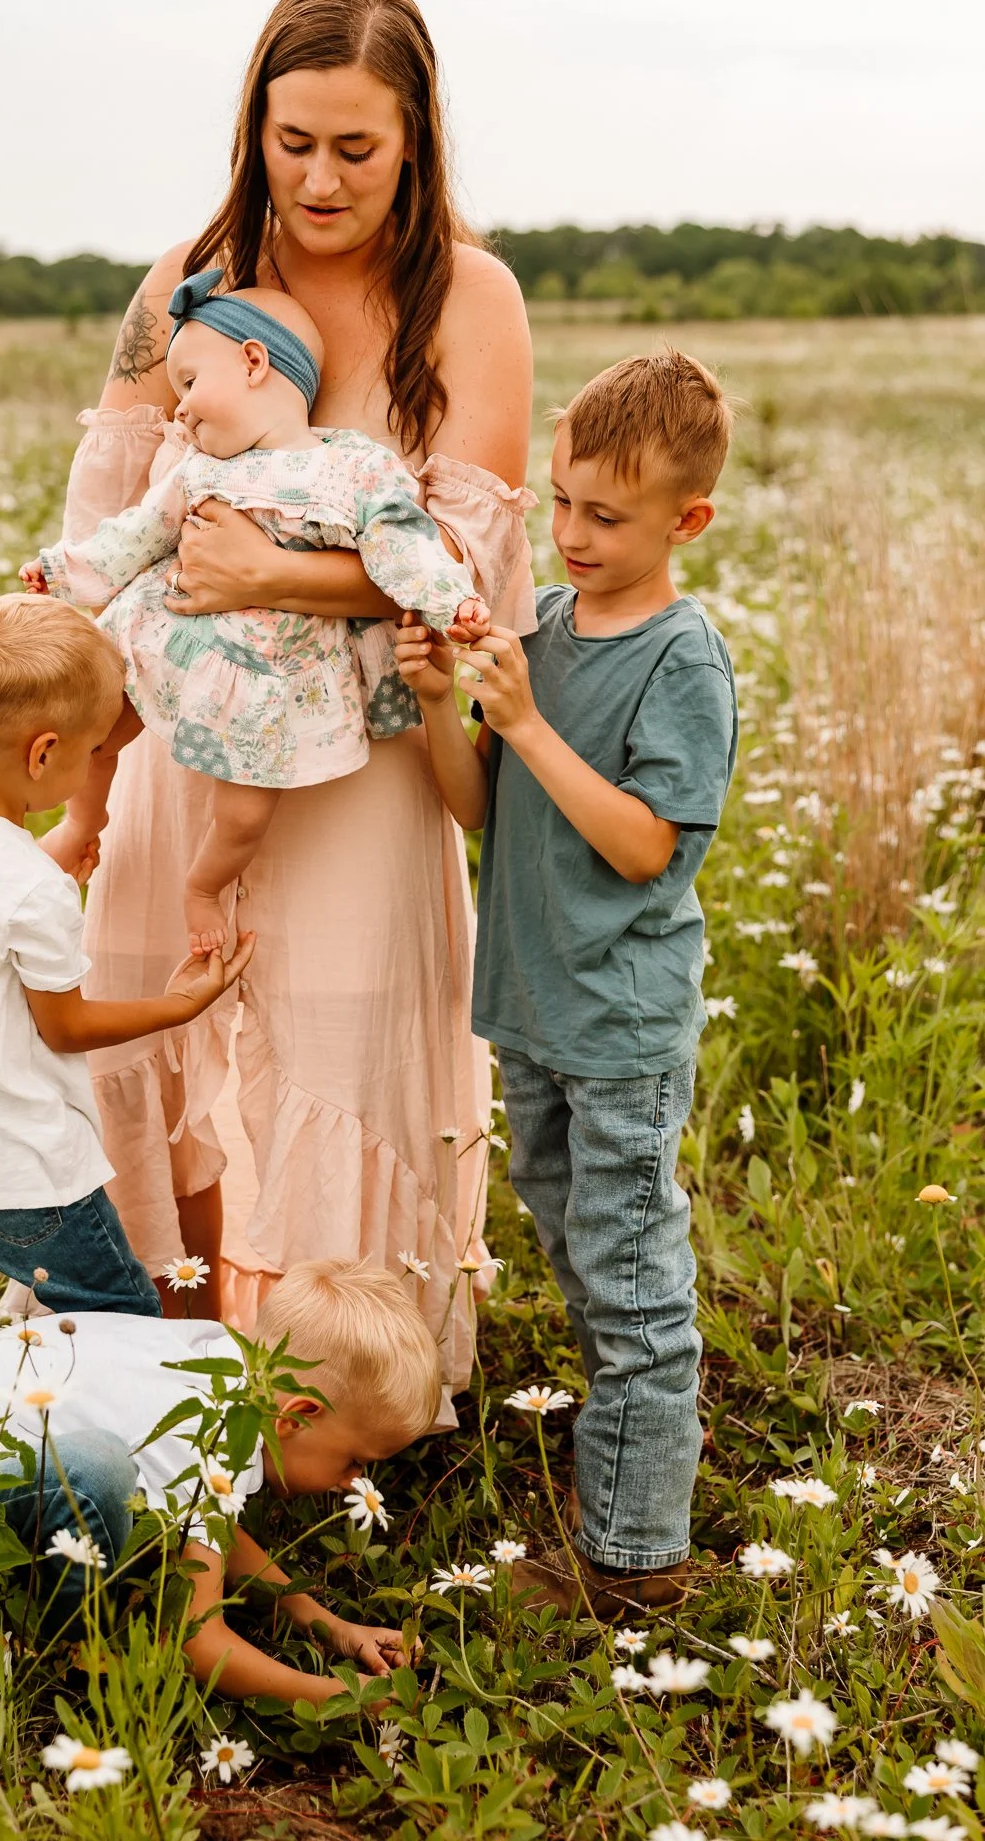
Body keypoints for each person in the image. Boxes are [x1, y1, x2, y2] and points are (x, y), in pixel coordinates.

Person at [28, 0, 535, 1371]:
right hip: (180, 732)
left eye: (355, 148)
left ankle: (334, 1390)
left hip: (359, 761)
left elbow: (468, 574)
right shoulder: (187, 286)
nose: (319, 178)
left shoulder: (473, 302)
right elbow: (109, 531)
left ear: (415, 140)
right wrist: (83, 777)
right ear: (254, 126)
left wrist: (275, 577)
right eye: (291, 139)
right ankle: (158, 1376)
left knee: (335, 1048)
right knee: (160, 1037)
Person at [396, 349, 739, 1615]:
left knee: (633, 1272)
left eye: (608, 514)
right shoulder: (537, 621)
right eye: (561, 503)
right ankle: (635, 1471)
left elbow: (648, 843)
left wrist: (531, 718)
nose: (572, 533)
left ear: (685, 520)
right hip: (533, 1003)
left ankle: (637, 1559)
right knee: (578, 1248)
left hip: (621, 1020)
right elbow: (484, 804)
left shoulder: (681, 660)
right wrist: (447, 703)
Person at [0, 594, 254, 1466]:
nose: (104, 762)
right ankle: (156, 1500)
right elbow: (63, 1026)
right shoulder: (29, 889)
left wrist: (48, 860)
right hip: (22, 1174)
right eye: (99, 748)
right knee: (129, 1330)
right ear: (43, 753)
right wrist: (179, 1007)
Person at [24, 269, 488, 953]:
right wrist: (62, 571)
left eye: (188, 383)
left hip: (269, 688)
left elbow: (406, 551)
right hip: (164, 646)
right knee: (93, 727)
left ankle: (202, 886)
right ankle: (82, 824)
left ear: (252, 362)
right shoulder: (194, 469)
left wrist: (455, 604)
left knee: (243, 815)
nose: (178, 408)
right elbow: (135, 535)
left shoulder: (355, 469)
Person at [0, 1258, 439, 1703]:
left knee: (108, 1480)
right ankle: (71, 1645)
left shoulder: (225, 1365)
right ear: (296, 1417)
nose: (352, 1482)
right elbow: (196, 1641)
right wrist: (335, 1696)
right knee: (97, 1473)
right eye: (356, 1461)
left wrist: (332, 1628)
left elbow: (214, 1535)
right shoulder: (217, 1430)